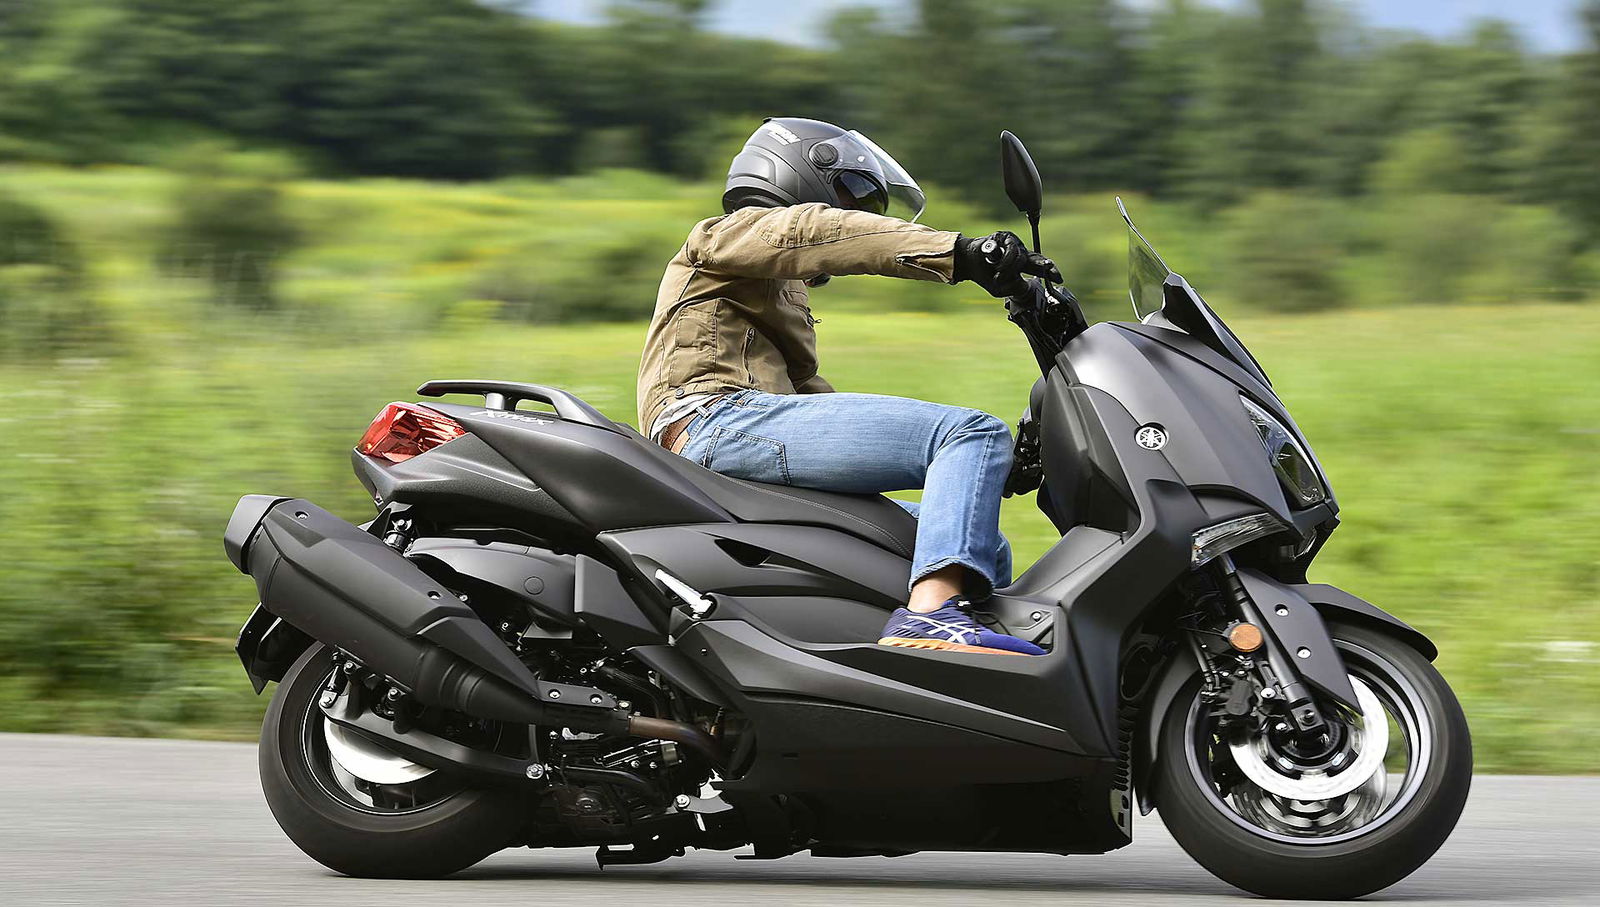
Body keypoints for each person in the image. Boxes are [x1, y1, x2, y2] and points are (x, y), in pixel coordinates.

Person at [636, 117, 1059, 656]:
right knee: (968, 432)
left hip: (741, 430)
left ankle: (955, 666)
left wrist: (986, 476)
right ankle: (930, 617)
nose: (858, 212)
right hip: (714, 419)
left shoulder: (774, 285)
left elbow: (811, 406)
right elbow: (813, 231)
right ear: (800, 174)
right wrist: (961, 253)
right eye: (852, 196)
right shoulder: (729, 233)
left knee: (988, 544)